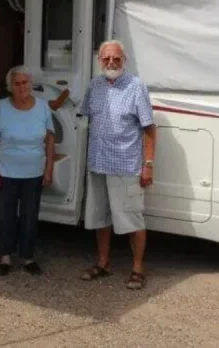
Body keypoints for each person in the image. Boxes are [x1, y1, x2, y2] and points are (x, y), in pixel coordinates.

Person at [79, 40, 157, 290]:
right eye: (106, 59)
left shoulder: (136, 86)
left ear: (124, 60)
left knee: (133, 220)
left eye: (116, 58)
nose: (111, 63)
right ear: (99, 61)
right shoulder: (95, 85)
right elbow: (85, 118)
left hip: (125, 165)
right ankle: (103, 264)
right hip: (98, 164)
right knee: (100, 218)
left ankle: (137, 269)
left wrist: (148, 164)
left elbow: (149, 129)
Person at [0, 65, 56, 276]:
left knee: (29, 216)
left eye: (25, 82)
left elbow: (50, 139)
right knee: (5, 216)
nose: (21, 87)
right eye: (17, 83)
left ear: (31, 84)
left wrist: (49, 168)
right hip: (6, 172)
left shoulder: (42, 107)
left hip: (34, 173)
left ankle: (27, 258)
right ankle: (5, 257)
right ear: (10, 87)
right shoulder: (1, 107)